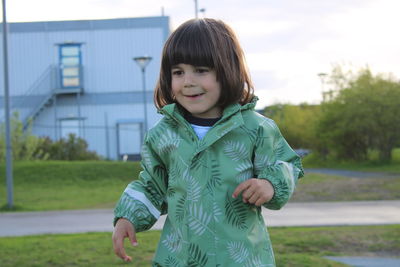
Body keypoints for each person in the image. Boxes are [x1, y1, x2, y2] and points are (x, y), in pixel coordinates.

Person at [112, 18, 304, 267]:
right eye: (178, 72)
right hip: (180, 258)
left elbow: (287, 163)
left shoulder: (254, 128)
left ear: (227, 71)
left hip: (241, 258)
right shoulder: (162, 135)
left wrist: (270, 183)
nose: (188, 81)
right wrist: (127, 217)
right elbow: (151, 185)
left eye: (200, 70)